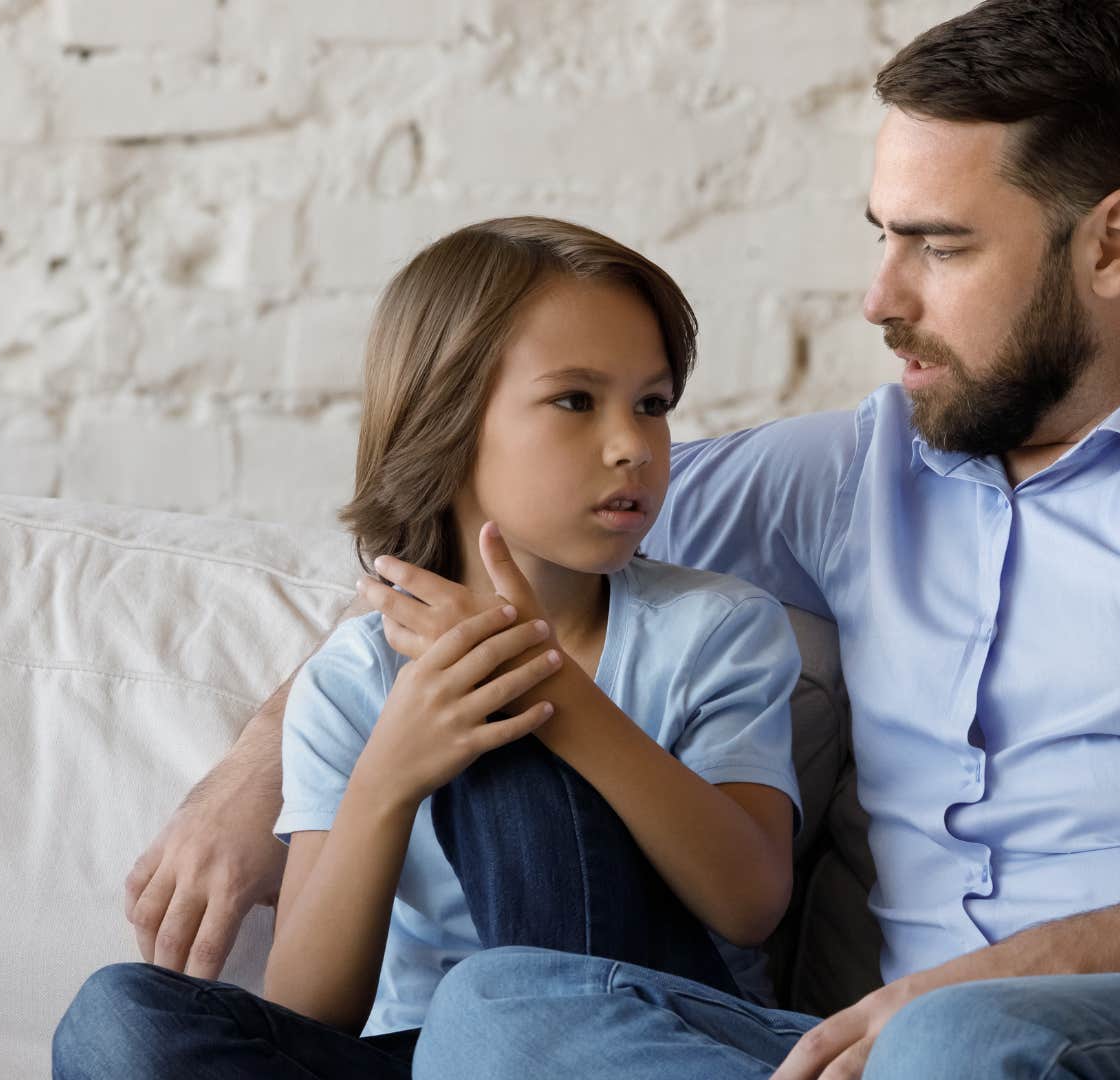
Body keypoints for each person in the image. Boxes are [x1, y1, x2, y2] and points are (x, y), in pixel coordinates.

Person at [116, 1, 1120, 1077]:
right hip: (890, 1053)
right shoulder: (858, 468)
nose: (877, 296)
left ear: (1113, 244)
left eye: (939, 244)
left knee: (965, 1048)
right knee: (504, 1011)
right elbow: (501, 527)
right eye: (883, 233)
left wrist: (967, 990)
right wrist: (265, 771)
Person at [52, 218, 805, 1078]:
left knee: (498, 895)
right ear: (448, 421)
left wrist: (553, 693)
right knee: (121, 1019)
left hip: (624, 1039)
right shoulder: (354, 679)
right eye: (575, 400)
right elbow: (309, 1009)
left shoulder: (716, 628)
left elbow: (750, 903)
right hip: (420, 1056)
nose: (632, 444)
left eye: (653, 403)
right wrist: (391, 774)